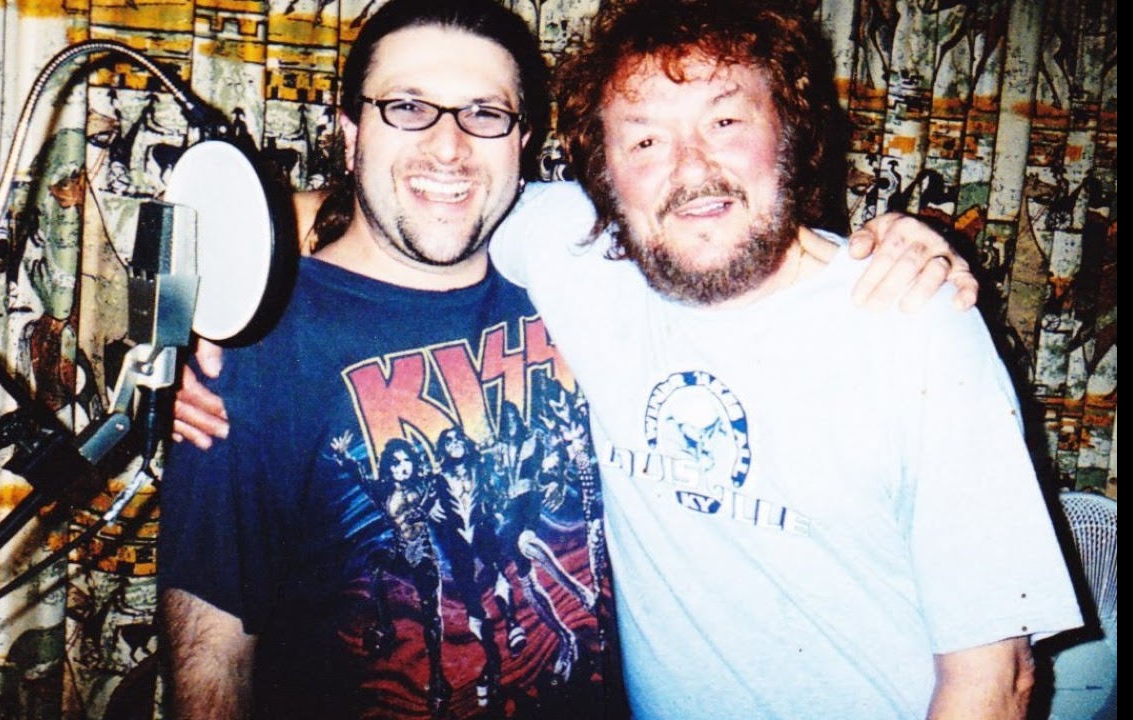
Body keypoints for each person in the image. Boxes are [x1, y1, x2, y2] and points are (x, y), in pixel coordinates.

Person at [161, 1, 977, 718]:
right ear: (350, 133)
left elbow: (723, 223)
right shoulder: (259, 341)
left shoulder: (578, 265)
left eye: (484, 114)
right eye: (407, 108)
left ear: (523, 143)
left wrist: (896, 247)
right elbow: (211, 645)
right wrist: (223, 278)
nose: (448, 147)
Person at [482, 0, 1084, 718]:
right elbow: (409, 208)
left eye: (725, 123)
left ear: (790, 132)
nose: (691, 169)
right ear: (603, 174)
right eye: (644, 140)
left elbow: (995, 680)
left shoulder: (911, 314)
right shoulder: (574, 252)